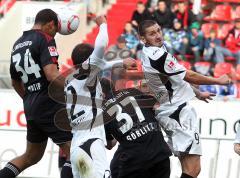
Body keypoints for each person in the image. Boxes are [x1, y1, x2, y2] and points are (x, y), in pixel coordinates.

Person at [138, 20, 231, 178]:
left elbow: (175, 79)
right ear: (143, 39)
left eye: (159, 31)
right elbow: (189, 75)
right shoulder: (158, 55)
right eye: (152, 34)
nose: (158, 36)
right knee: (193, 169)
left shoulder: (154, 50)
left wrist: (197, 93)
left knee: (187, 168)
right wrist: (217, 81)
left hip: (172, 110)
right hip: (176, 112)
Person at [0, 9, 73, 178]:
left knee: (31, 156)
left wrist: (29, 98)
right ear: (50, 24)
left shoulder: (17, 44)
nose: (55, 34)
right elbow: (51, 74)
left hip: (31, 106)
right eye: (55, 29)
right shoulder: (46, 38)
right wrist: (75, 91)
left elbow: (15, 82)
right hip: (49, 103)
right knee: (76, 150)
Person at [64, 15, 136, 178]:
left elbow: (102, 65)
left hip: (77, 149)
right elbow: (102, 44)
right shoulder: (86, 75)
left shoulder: (72, 80)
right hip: (90, 145)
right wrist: (103, 24)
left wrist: (120, 62)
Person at [101, 73, 172, 178]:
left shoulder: (102, 113)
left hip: (135, 162)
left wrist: (122, 132)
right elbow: (158, 101)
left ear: (101, 94)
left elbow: (109, 145)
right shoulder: (133, 92)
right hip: (160, 155)